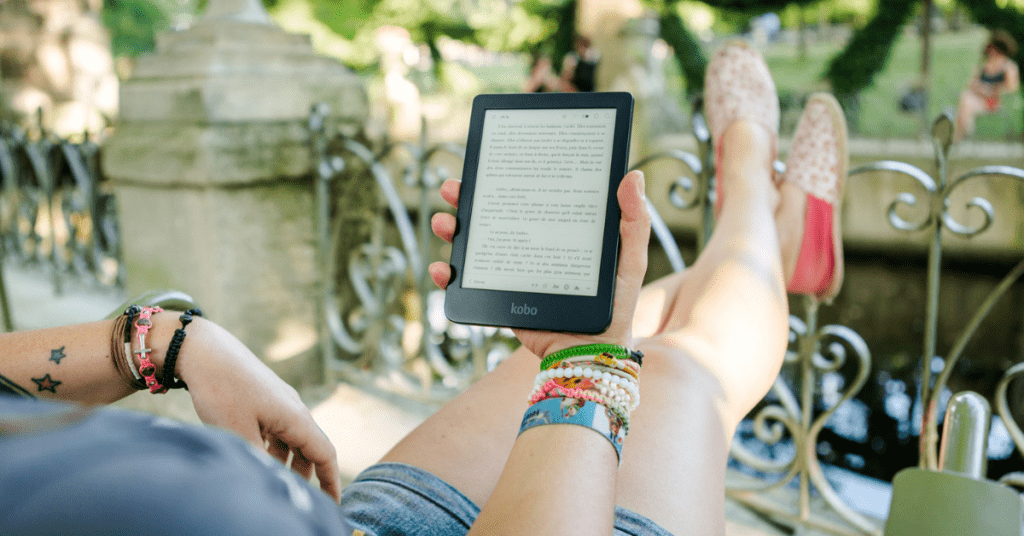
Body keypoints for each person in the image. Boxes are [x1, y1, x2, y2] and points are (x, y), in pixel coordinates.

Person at [0, 42, 848, 535]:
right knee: (684, 369)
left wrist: (170, 341)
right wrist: (586, 367)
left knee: (626, 323)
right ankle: (753, 193)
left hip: (370, 521)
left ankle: (768, 238)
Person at [954, 30, 1020, 142]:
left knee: (966, 101)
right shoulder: (984, 66)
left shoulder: (1008, 67)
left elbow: (1012, 88)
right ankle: (962, 133)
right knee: (966, 98)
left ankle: (961, 135)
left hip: (995, 102)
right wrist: (981, 89)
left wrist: (992, 91)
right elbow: (971, 83)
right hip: (979, 98)